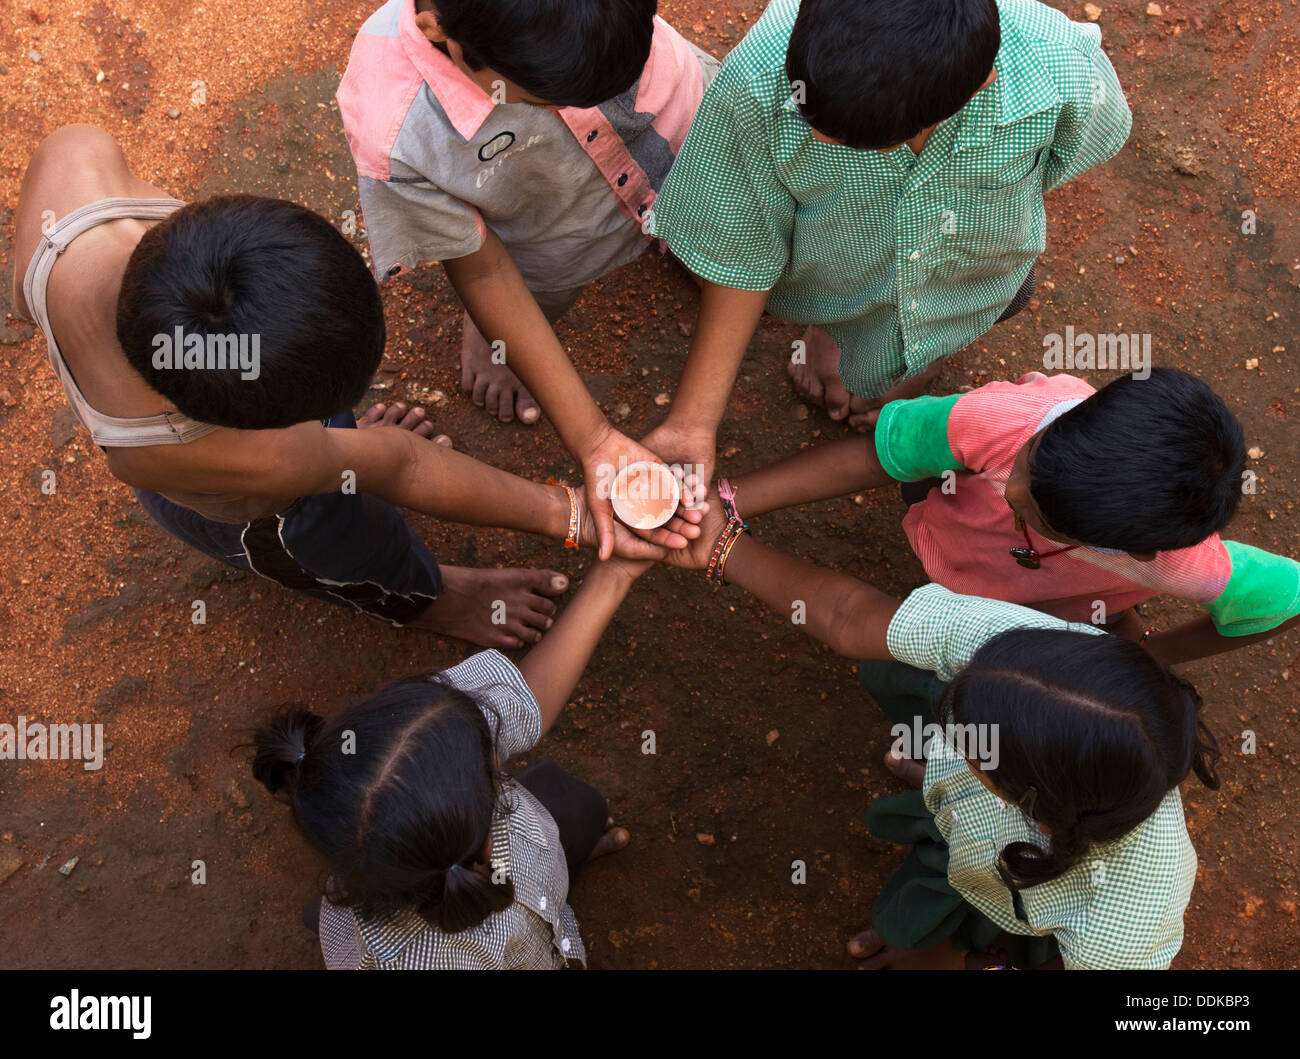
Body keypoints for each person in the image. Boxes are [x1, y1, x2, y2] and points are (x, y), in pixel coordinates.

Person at [12, 125, 702, 646]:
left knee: (342, 459)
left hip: (254, 412)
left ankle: (344, 458)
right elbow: (399, 465)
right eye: (317, 412)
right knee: (346, 538)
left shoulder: (76, 175)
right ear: (263, 420)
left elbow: (26, 296)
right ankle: (428, 598)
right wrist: (571, 513)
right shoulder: (236, 458)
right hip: (262, 507)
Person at [663, 492, 1221, 969]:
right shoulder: (1020, 647)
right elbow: (846, 615)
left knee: (942, 924)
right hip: (989, 818)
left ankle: (940, 942)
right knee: (895, 661)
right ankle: (937, 837)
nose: (946, 732)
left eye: (965, 740)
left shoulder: (1130, 914)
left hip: (1006, 886)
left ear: (1019, 795)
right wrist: (722, 546)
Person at [643, 0, 1132, 483]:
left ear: (978, 84)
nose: (819, 141)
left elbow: (1070, 153)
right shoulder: (757, 82)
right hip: (833, 273)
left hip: (976, 277)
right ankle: (832, 329)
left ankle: (927, 350)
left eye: (860, 138)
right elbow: (738, 248)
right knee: (837, 306)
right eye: (809, 116)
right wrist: (692, 423)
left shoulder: (1059, 65)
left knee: (1006, 293)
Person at [336, 0, 717, 537]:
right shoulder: (396, 128)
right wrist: (594, 438)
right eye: (541, 100)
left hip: (683, 131)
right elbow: (485, 270)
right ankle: (496, 339)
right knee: (535, 290)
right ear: (438, 32)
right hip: (555, 234)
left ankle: (691, 238)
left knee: (715, 221)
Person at [715, 368, 1300, 663]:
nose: (1010, 488)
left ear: (1138, 553)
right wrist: (732, 499)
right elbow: (878, 456)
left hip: (1029, 605)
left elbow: (1283, 601)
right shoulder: (1005, 423)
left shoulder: (1188, 566)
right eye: (1032, 459)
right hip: (952, 532)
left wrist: (1149, 656)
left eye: (1041, 512)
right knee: (930, 467)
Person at [251, 553, 650, 969]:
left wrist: (615, 572)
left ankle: (332, 917)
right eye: (491, 761)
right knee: (566, 801)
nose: (496, 745)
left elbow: (525, 698)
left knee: (572, 799)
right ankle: (566, 873)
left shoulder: (420, 735)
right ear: (485, 802)